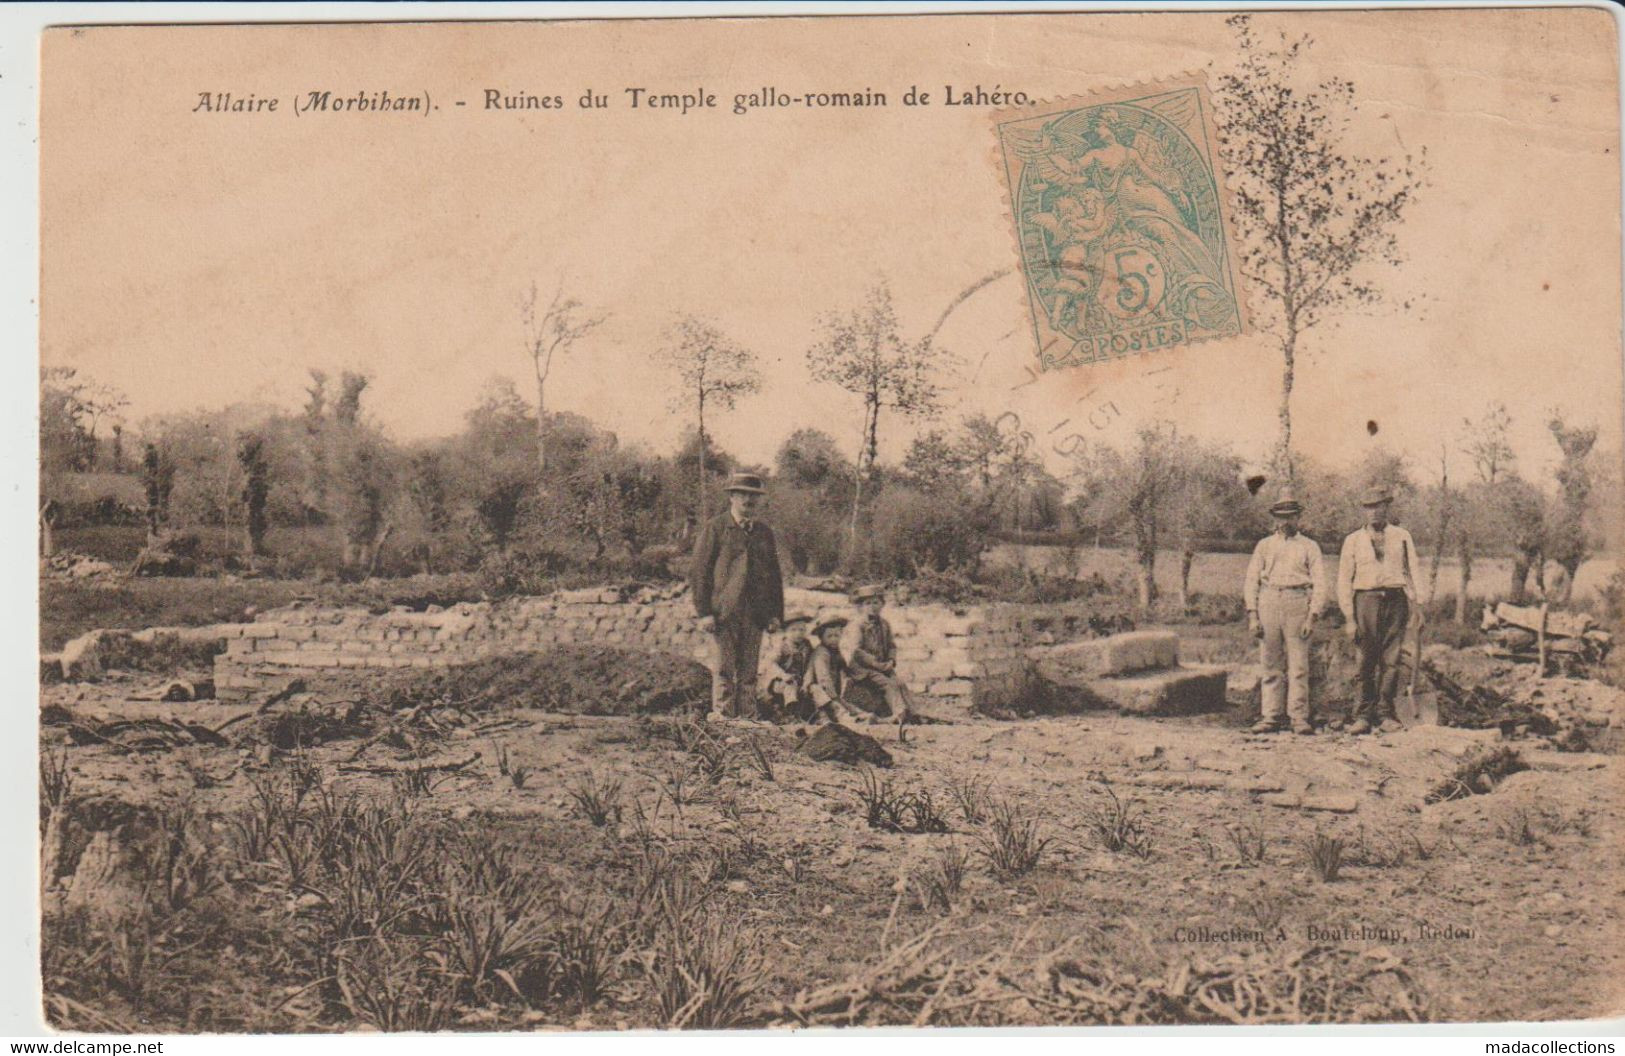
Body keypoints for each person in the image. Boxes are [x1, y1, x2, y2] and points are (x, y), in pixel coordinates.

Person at [688, 472, 785, 720]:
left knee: (749, 670)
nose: (748, 501)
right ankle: (723, 717)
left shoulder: (764, 533)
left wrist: (775, 614)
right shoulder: (716, 528)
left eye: (754, 496)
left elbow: (774, 577)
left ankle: (748, 717)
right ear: (732, 497)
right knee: (724, 668)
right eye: (743, 495)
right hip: (724, 611)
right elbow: (700, 573)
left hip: (756, 612)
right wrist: (704, 613)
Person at [1337, 488, 1422, 735]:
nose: (1374, 511)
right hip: (1365, 600)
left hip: (1396, 601)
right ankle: (1363, 715)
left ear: (1387, 507)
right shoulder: (1352, 540)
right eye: (1369, 507)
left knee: (1392, 661)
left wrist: (1418, 606)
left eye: (1379, 506)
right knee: (1364, 660)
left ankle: (1386, 714)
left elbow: (1412, 571)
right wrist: (1350, 618)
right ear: (1364, 511)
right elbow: (1344, 580)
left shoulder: (1402, 536)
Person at [1242, 494, 1327, 735]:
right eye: (1281, 517)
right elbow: (1251, 581)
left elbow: (1320, 583)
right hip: (1268, 600)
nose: (1285, 522)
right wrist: (1253, 615)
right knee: (1270, 663)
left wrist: (1313, 616)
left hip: (1297, 601)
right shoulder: (1264, 545)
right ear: (1275, 519)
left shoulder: (1309, 546)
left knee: (1299, 664)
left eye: (1290, 517)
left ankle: (1298, 717)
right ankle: (1271, 716)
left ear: (1298, 517)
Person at [847, 584, 917, 734]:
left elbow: (891, 645)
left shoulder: (884, 624)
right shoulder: (858, 625)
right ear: (861, 606)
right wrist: (876, 664)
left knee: (899, 683)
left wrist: (891, 661)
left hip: (883, 665)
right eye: (868, 603)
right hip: (864, 669)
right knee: (888, 684)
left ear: (882, 604)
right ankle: (900, 715)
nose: (872, 607)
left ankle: (913, 713)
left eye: (876, 602)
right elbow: (856, 651)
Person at [804, 615, 861, 725]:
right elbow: (823, 679)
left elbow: (844, 667)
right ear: (821, 638)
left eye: (837, 635)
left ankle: (859, 715)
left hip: (830, 692)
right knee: (821, 695)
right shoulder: (821, 653)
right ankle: (825, 717)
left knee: (851, 708)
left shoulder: (835, 651)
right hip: (815, 693)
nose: (834, 639)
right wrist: (835, 697)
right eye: (829, 636)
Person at [760, 613, 814, 722]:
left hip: (799, 679)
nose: (798, 633)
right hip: (780, 681)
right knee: (790, 687)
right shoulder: (782, 645)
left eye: (802, 630)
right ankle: (791, 712)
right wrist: (783, 675)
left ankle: (808, 714)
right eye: (793, 630)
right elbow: (770, 663)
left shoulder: (807, 646)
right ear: (786, 632)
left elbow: (810, 665)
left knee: (809, 690)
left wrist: (807, 681)